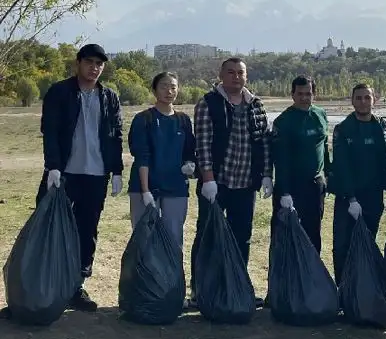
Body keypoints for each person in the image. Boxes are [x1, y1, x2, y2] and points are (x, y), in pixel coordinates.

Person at [1, 44, 124, 318]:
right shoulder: (60, 92)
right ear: (78, 63)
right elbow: (51, 131)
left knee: (86, 230)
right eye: (89, 62)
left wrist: (116, 170)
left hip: (94, 175)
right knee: (47, 228)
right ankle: (37, 286)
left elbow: (115, 135)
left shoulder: (109, 97)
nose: (94, 68)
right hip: (63, 174)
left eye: (99, 64)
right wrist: (54, 166)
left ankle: (75, 287)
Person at [189, 57, 272, 308]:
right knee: (207, 234)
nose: (236, 77)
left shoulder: (256, 105)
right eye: (231, 72)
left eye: (241, 73)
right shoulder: (208, 103)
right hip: (217, 184)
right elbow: (202, 143)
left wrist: (267, 174)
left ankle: (236, 285)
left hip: (246, 183)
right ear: (221, 75)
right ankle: (200, 290)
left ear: (246, 76)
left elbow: (263, 143)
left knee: (242, 237)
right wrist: (208, 179)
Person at [329, 83, 386, 285]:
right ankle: (342, 288)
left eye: (367, 97)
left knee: (367, 242)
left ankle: (363, 287)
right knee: (342, 245)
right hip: (348, 198)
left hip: (373, 197)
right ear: (352, 100)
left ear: (374, 99)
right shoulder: (343, 129)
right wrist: (350, 198)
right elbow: (341, 165)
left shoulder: (382, 127)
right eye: (358, 98)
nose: (363, 102)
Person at [127, 72, 196, 247]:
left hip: (175, 187)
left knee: (174, 237)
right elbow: (142, 155)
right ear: (154, 90)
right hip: (146, 187)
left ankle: (172, 274)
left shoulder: (183, 120)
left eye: (173, 87)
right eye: (164, 86)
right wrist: (145, 190)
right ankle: (144, 275)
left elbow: (189, 150)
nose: (169, 91)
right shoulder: (144, 119)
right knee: (145, 238)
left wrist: (190, 164)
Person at [271, 75, 331, 254]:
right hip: (292, 186)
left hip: (315, 184)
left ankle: (312, 276)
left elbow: (324, 147)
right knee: (286, 235)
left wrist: (328, 175)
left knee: (313, 234)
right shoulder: (283, 121)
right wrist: (284, 191)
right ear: (292, 94)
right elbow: (280, 160)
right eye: (300, 94)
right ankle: (286, 279)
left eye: (308, 94)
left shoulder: (320, 114)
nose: (304, 98)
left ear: (314, 94)